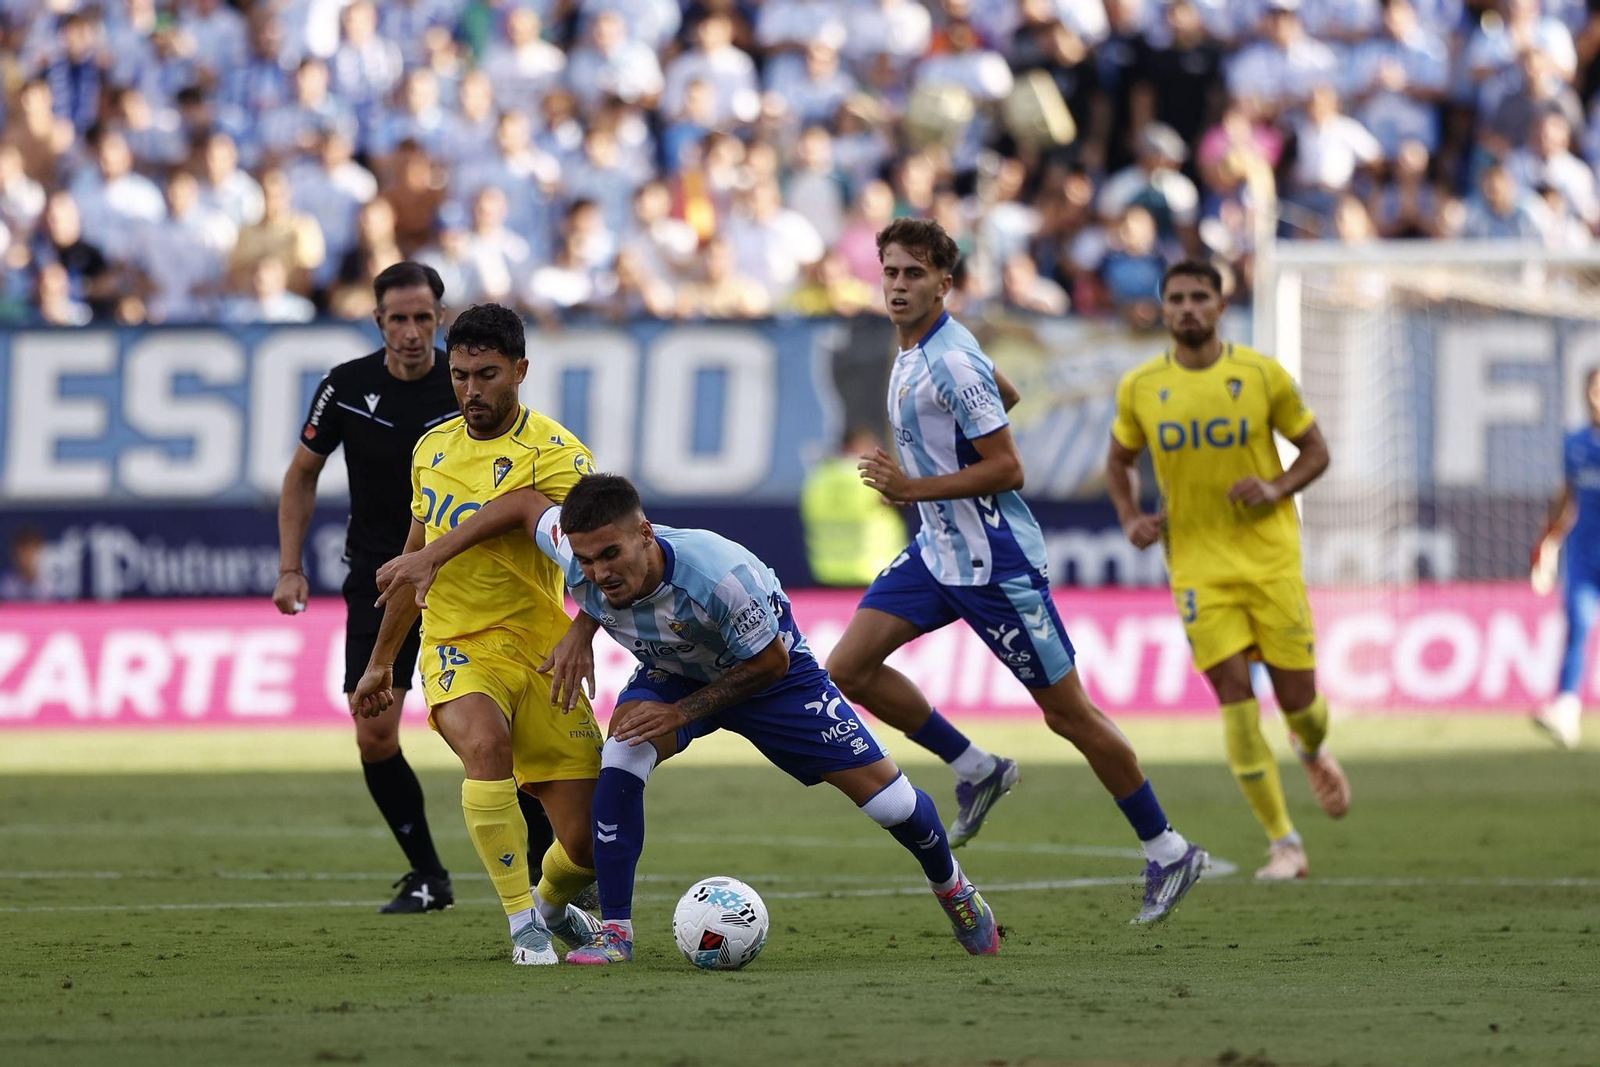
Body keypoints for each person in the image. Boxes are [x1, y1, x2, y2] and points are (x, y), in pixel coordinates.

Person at [375, 473, 1001, 965]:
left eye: (611, 554)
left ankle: (954, 888)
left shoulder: (718, 576)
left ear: (646, 534)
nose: (597, 572)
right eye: (587, 560)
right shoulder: (582, 553)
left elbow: (770, 664)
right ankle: (615, 931)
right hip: (674, 668)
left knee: (890, 805)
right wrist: (574, 625)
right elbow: (518, 504)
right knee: (622, 751)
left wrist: (679, 712)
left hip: (771, 676)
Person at [825, 218, 1207, 925]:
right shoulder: (924, 345)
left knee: (1070, 715)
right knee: (846, 669)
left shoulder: (950, 360)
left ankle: (1169, 846)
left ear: (945, 281)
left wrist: (912, 487)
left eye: (914, 274)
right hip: (937, 553)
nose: (899, 286)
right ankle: (976, 766)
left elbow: (1010, 466)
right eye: (891, 273)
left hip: (994, 564)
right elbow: (1008, 393)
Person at [273, 264, 556, 914]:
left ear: (440, 319)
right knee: (374, 734)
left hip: (471, 582)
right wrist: (291, 565)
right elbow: (301, 474)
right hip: (381, 578)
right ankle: (429, 873)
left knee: (501, 739)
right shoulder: (345, 387)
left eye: (423, 318)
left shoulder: (467, 384)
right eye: (397, 319)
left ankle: (549, 875)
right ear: (378, 322)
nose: (410, 331)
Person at [352, 303, 605, 966]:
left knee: (585, 843)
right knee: (485, 745)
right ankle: (524, 921)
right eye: (459, 375)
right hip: (457, 644)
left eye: (486, 375)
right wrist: (382, 660)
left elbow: (609, 559)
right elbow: (413, 565)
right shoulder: (432, 451)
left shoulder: (559, 457)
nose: (470, 390)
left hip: (542, 650)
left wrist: (583, 631)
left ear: (520, 370)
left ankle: (553, 906)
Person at [1104, 260, 1350, 882]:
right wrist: (1131, 516)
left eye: (1198, 297)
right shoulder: (1140, 386)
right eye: (1176, 299)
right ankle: (1284, 843)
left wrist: (1277, 486)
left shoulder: (1261, 375)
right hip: (1196, 571)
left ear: (1220, 305)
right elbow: (1118, 461)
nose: (1187, 308)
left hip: (1271, 563)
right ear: (1163, 310)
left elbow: (1316, 449)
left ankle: (1313, 748)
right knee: (1236, 702)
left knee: (1300, 704)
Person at [1530, 366, 1600, 749]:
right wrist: (1548, 540)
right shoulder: (1574, 442)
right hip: (1585, 552)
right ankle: (1566, 710)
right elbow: (1566, 496)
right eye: (1593, 389)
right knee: (1578, 624)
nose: (1597, 396)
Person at [800, 427, 908, 586]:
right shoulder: (872, 475)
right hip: (876, 572)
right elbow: (904, 500)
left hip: (827, 573)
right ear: (857, 445)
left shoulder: (818, 479)